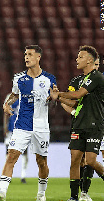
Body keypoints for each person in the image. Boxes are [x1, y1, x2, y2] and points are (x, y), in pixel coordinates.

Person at [0, 45, 56, 201]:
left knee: (41, 161)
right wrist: (6, 104)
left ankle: (41, 194)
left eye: (30, 54)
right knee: (11, 156)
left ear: (38, 57)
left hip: (41, 126)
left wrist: (54, 99)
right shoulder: (19, 78)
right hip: (22, 125)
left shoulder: (49, 79)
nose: (26, 57)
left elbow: (53, 103)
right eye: (25, 54)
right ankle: (2, 193)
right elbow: (14, 96)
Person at [49, 45, 104, 201]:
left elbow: (79, 94)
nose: (76, 59)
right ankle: (74, 197)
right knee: (74, 160)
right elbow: (74, 103)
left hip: (95, 124)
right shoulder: (79, 79)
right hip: (78, 124)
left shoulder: (97, 76)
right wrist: (57, 97)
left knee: (91, 161)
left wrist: (58, 93)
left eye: (80, 57)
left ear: (89, 60)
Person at [3, 93, 28, 184]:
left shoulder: (27, 96)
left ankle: (23, 175)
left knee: (24, 153)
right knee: (8, 153)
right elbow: (6, 113)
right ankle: (7, 175)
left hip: (24, 130)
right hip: (11, 130)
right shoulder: (10, 97)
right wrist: (5, 127)